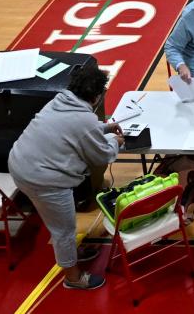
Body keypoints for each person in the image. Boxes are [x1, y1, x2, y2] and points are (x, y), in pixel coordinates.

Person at [8, 65, 123, 291]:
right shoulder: (84, 119)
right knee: (63, 230)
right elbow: (103, 154)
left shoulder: (58, 102)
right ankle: (73, 278)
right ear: (97, 95)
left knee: (60, 225)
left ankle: (72, 254)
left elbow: (72, 128)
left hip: (21, 164)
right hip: (44, 179)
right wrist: (115, 141)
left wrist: (104, 127)